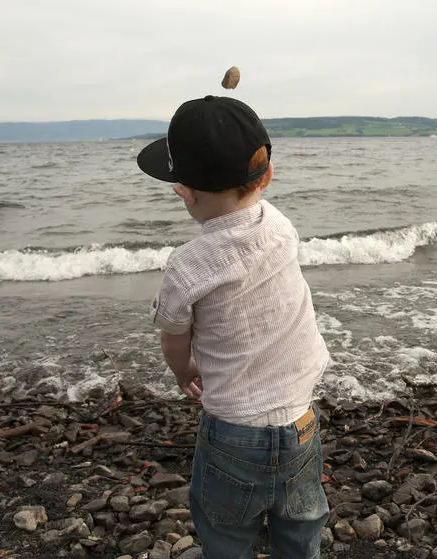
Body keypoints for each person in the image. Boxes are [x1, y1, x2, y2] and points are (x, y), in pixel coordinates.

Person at [137, 95, 330, 558]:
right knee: (301, 526)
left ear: (183, 190)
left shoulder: (188, 265)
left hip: (233, 433)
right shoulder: (280, 225)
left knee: (225, 533)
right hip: (300, 421)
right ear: (265, 175)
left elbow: (173, 333)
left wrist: (184, 372)